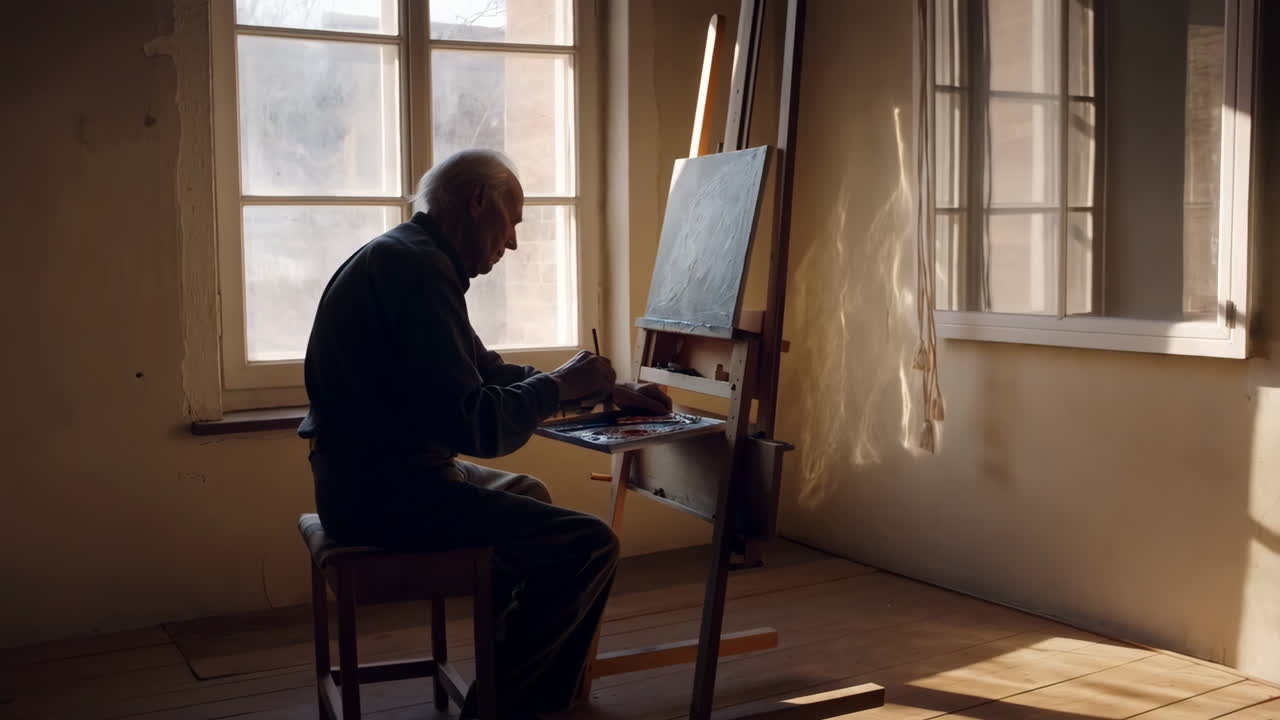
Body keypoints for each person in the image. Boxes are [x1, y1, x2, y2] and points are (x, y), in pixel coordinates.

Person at [298, 149, 669, 719]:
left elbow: (485, 372)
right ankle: (515, 708)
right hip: (382, 495)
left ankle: (504, 688)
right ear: (477, 200)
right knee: (589, 545)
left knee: (530, 494)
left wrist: (601, 391)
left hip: (365, 479)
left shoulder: (407, 254)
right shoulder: (418, 270)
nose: (513, 243)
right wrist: (558, 386)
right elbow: (475, 425)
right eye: (512, 221)